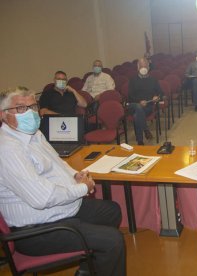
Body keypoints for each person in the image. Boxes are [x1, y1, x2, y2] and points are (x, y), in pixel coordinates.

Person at [0, 87, 125, 276]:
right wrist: (83, 188)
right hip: (36, 231)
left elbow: (58, 163)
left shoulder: (34, 135)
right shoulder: (8, 149)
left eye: (33, 106)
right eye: (20, 108)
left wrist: (75, 175)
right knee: (112, 241)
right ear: (3, 115)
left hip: (57, 213)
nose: (30, 113)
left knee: (111, 211)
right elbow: (42, 198)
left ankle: (87, 270)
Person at [128, 58, 163, 145]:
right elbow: (130, 96)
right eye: (141, 66)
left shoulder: (153, 80)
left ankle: (140, 140)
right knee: (138, 107)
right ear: (138, 68)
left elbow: (161, 93)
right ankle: (146, 129)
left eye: (145, 66)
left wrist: (156, 97)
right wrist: (139, 101)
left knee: (137, 115)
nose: (143, 68)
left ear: (148, 67)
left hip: (148, 106)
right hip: (134, 105)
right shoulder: (133, 80)